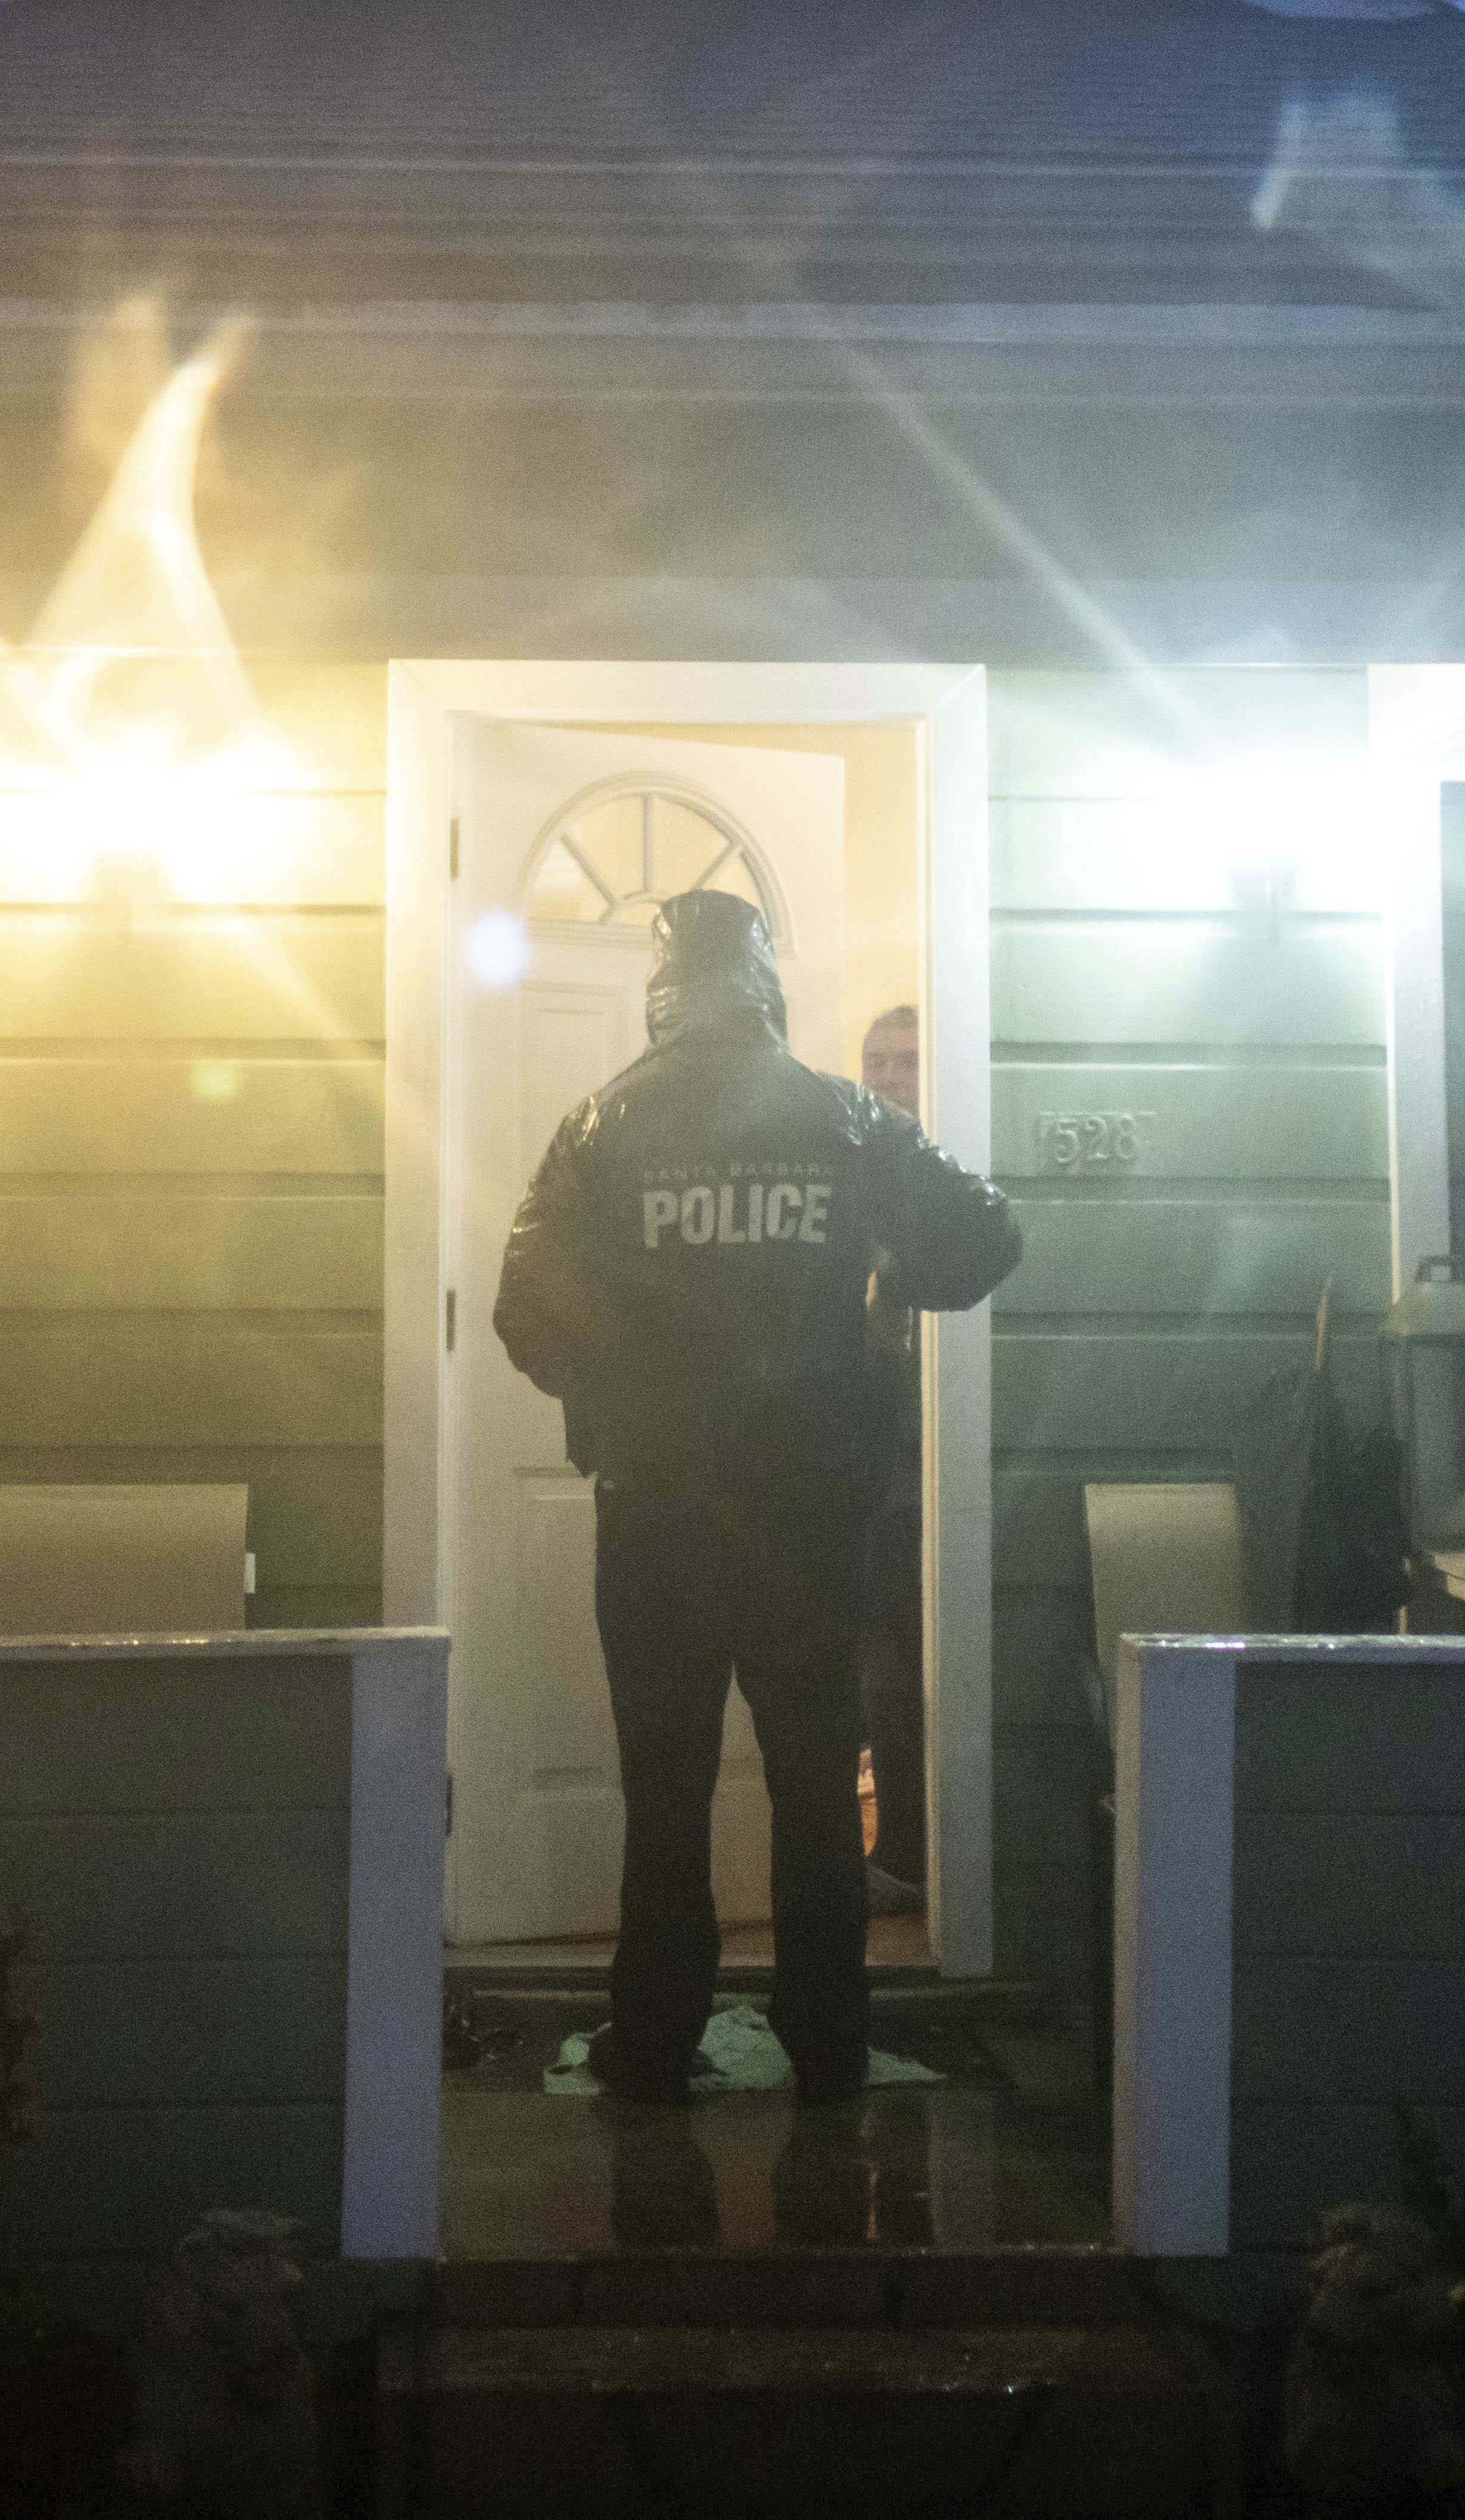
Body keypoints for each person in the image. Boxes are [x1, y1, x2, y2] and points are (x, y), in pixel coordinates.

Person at [494, 896, 1020, 2105]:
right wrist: (889, 1282)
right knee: (814, 1780)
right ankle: (828, 2042)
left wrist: (619, 1395)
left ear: (663, 986)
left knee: (663, 1787)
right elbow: (988, 1236)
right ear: (766, 982)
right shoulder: (843, 1118)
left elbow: (524, 1306)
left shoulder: (599, 1125)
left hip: (656, 1518)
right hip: (808, 1516)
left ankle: (658, 2041)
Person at [850, 1004, 930, 1912]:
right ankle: (885, 1852)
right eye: (876, 1061)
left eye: (906, 1061)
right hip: (853, 1469)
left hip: (923, 1476)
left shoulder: (934, 1187)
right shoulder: (849, 1174)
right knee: (867, 1677)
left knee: (905, 1674)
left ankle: (910, 1853)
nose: (889, 1077)